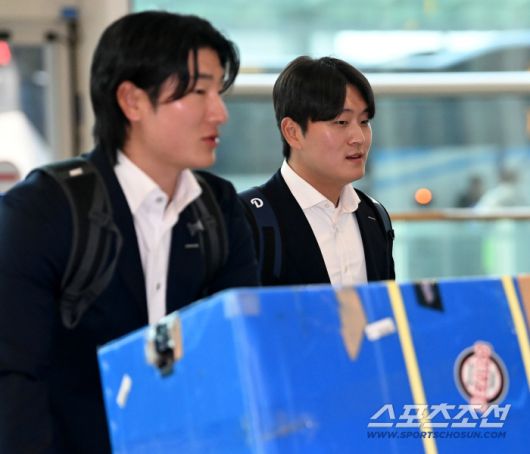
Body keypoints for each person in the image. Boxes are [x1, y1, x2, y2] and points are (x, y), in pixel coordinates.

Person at [0, 11, 258, 453]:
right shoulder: (43, 211)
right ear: (132, 101)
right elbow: (14, 379)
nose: (220, 113)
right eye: (199, 92)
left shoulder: (219, 210)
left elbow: (237, 357)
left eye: (220, 91)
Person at [241, 56, 395, 286]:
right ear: (292, 132)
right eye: (341, 122)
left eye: (364, 121)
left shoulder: (374, 216)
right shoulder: (247, 219)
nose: (359, 138)